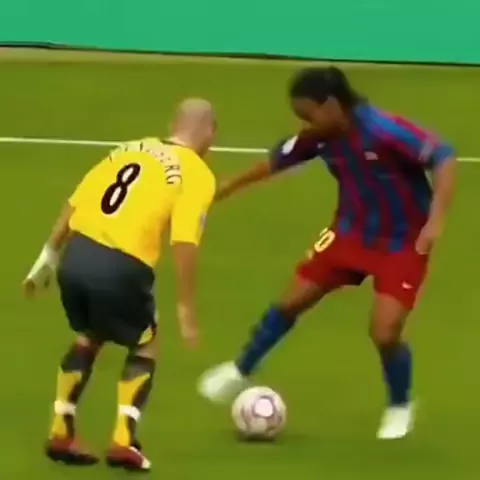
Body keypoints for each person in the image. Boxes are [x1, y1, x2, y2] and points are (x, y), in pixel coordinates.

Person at [198, 67, 456, 440]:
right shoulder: (318, 137)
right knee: (291, 301)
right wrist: (223, 190)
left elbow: (443, 156)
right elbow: (274, 163)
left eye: (309, 114)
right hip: (348, 234)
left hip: (403, 243)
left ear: (333, 104)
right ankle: (240, 369)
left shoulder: (383, 130)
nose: (305, 124)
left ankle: (400, 404)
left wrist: (436, 221)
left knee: (385, 332)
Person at [23, 98, 217, 471]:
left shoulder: (129, 148)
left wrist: (48, 255)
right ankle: (123, 441)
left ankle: (61, 429)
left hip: (76, 255)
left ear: (173, 123)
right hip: (122, 265)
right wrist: (185, 306)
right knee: (145, 343)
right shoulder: (196, 173)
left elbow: (75, 202)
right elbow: (184, 241)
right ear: (209, 134)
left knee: (89, 334)